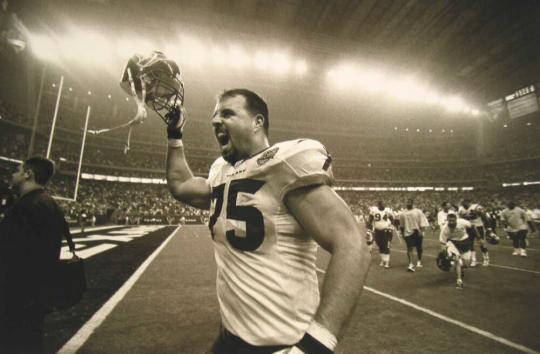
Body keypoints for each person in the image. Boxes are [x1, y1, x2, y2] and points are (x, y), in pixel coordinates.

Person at [165, 88, 371, 353]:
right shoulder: (221, 171)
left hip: (281, 344)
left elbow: (353, 245)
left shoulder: (284, 164)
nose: (216, 121)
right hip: (230, 336)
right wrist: (174, 136)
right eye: (215, 116)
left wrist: (317, 344)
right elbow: (181, 185)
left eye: (228, 113)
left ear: (257, 121)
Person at [0, 157, 75, 354]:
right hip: (37, 292)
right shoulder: (50, 203)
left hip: (18, 293)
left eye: (17, 170)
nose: (12, 174)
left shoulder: (27, 206)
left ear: (28, 173)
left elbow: (11, 251)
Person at [439, 213, 472, 289]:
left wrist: (478, 237)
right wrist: (445, 252)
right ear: (447, 220)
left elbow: (472, 226)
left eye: (453, 221)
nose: (451, 222)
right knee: (456, 259)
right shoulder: (445, 229)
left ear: (456, 220)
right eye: (449, 221)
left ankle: (459, 267)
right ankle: (459, 281)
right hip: (453, 243)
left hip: (464, 241)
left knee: (466, 264)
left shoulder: (462, 222)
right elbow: (442, 242)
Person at [458, 199, 491, 267]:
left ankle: (486, 259)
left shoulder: (476, 207)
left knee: (481, 243)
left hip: (478, 227)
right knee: (470, 244)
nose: (464, 206)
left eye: (465, 204)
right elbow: (461, 219)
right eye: (463, 205)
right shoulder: (461, 209)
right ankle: (474, 260)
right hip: (469, 228)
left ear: (468, 202)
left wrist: (488, 228)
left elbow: (484, 217)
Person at [399, 199, 429, 272]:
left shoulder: (418, 211)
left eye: (409, 202)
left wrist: (421, 231)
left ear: (412, 203)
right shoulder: (403, 213)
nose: (408, 203)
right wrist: (402, 233)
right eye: (407, 202)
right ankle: (411, 264)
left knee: (419, 247)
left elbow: (422, 221)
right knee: (409, 248)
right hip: (408, 232)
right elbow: (402, 225)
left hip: (417, 231)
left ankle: (419, 260)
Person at [367, 201, 394, 268]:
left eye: (383, 204)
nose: (383, 206)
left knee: (386, 246)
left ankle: (387, 262)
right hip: (377, 231)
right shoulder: (374, 211)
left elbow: (392, 219)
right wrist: (369, 228)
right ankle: (383, 260)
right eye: (381, 205)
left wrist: (391, 225)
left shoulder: (387, 210)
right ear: (378, 205)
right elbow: (370, 220)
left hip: (386, 231)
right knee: (380, 245)